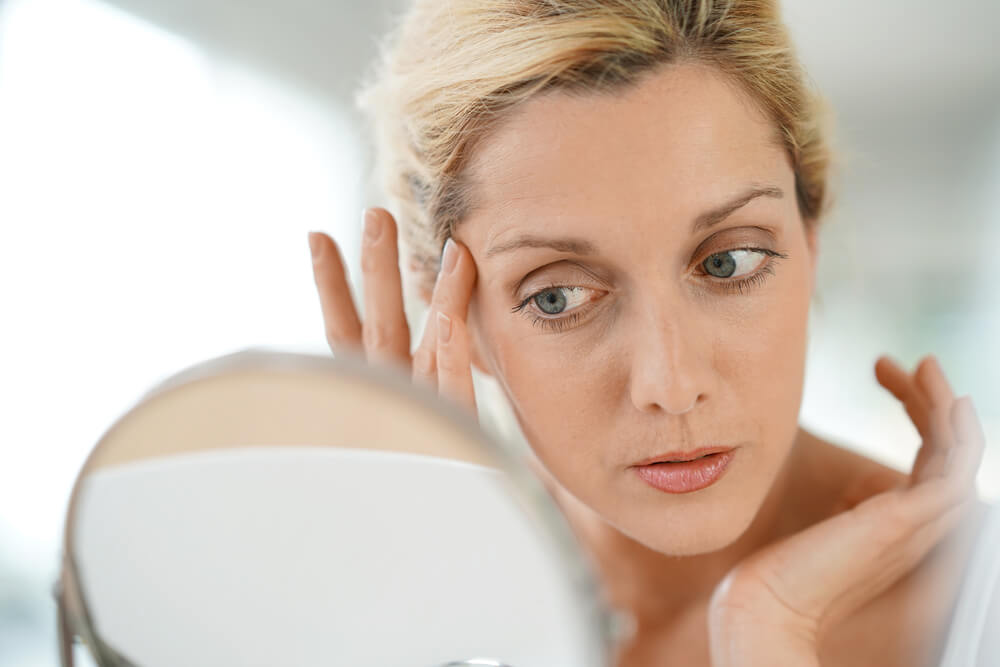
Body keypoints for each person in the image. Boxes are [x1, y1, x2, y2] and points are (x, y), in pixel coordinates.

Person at [306, 1, 994, 664]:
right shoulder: (408, 623)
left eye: (728, 261)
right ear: (453, 313)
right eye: (560, 296)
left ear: (810, 242)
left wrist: (769, 629)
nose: (671, 383)